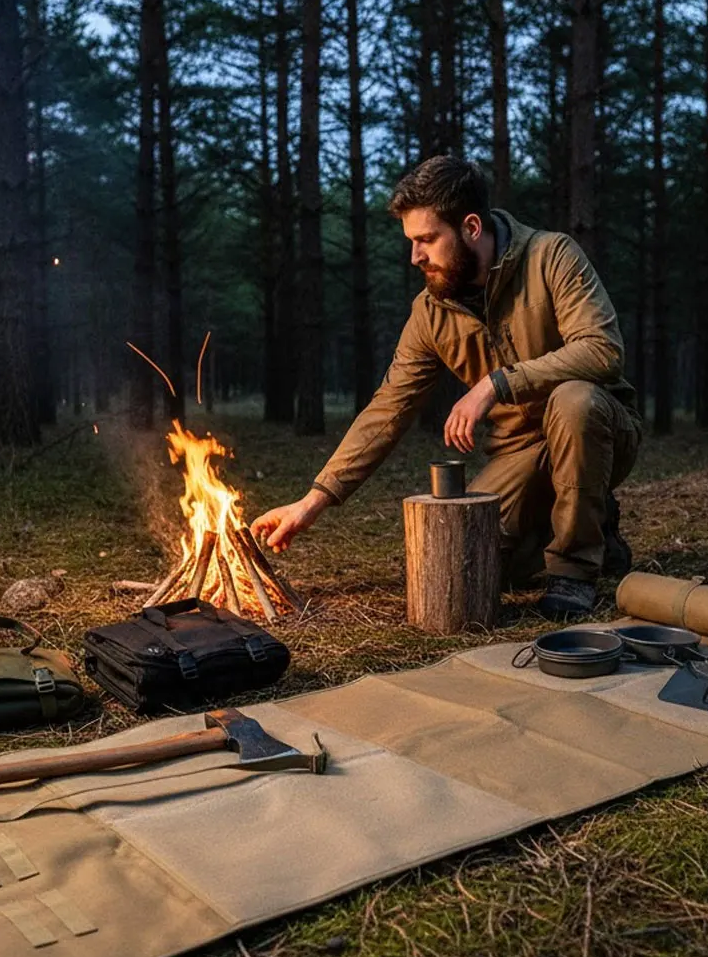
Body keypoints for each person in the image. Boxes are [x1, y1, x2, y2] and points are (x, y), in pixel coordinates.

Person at [251, 156, 641, 618]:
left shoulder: (551, 256)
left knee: (573, 400)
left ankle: (575, 569)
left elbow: (602, 350)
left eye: (426, 240)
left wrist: (495, 385)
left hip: (599, 430)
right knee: (471, 561)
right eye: (411, 242)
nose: (415, 256)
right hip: (518, 455)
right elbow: (387, 410)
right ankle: (593, 528)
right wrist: (315, 500)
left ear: (471, 227)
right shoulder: (431, 312)